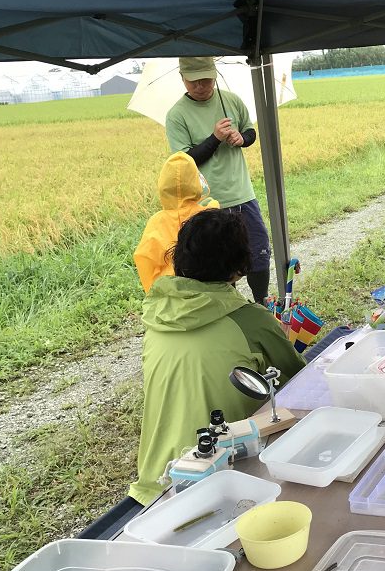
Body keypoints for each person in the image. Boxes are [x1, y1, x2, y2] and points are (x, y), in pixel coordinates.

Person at [128, 208, 304, 505]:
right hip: (217, 481)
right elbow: (299, 382)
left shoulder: (157, 318)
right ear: (239, 267)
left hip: (154, 485)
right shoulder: (250, 321)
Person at [165, 56, 272, 303]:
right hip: (208, 202)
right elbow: (186, 161)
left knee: (258, 252)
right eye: (194, 82)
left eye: (206, 80)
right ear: (182, 78)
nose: (201, 86)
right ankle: (230, 307)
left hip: (243, 193)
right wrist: (214, 138)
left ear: (214, 75)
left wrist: (241, 138)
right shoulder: (177, 115)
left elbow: (250, 131)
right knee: (219, 261)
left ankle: (261, 304)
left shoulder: (230, 100)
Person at [133, 151, 218, 293]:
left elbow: (144, 258)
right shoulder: (208, 213)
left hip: (170, 292)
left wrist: (153, 292)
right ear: (196, 182)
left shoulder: (156, 222)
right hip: (207, 290)